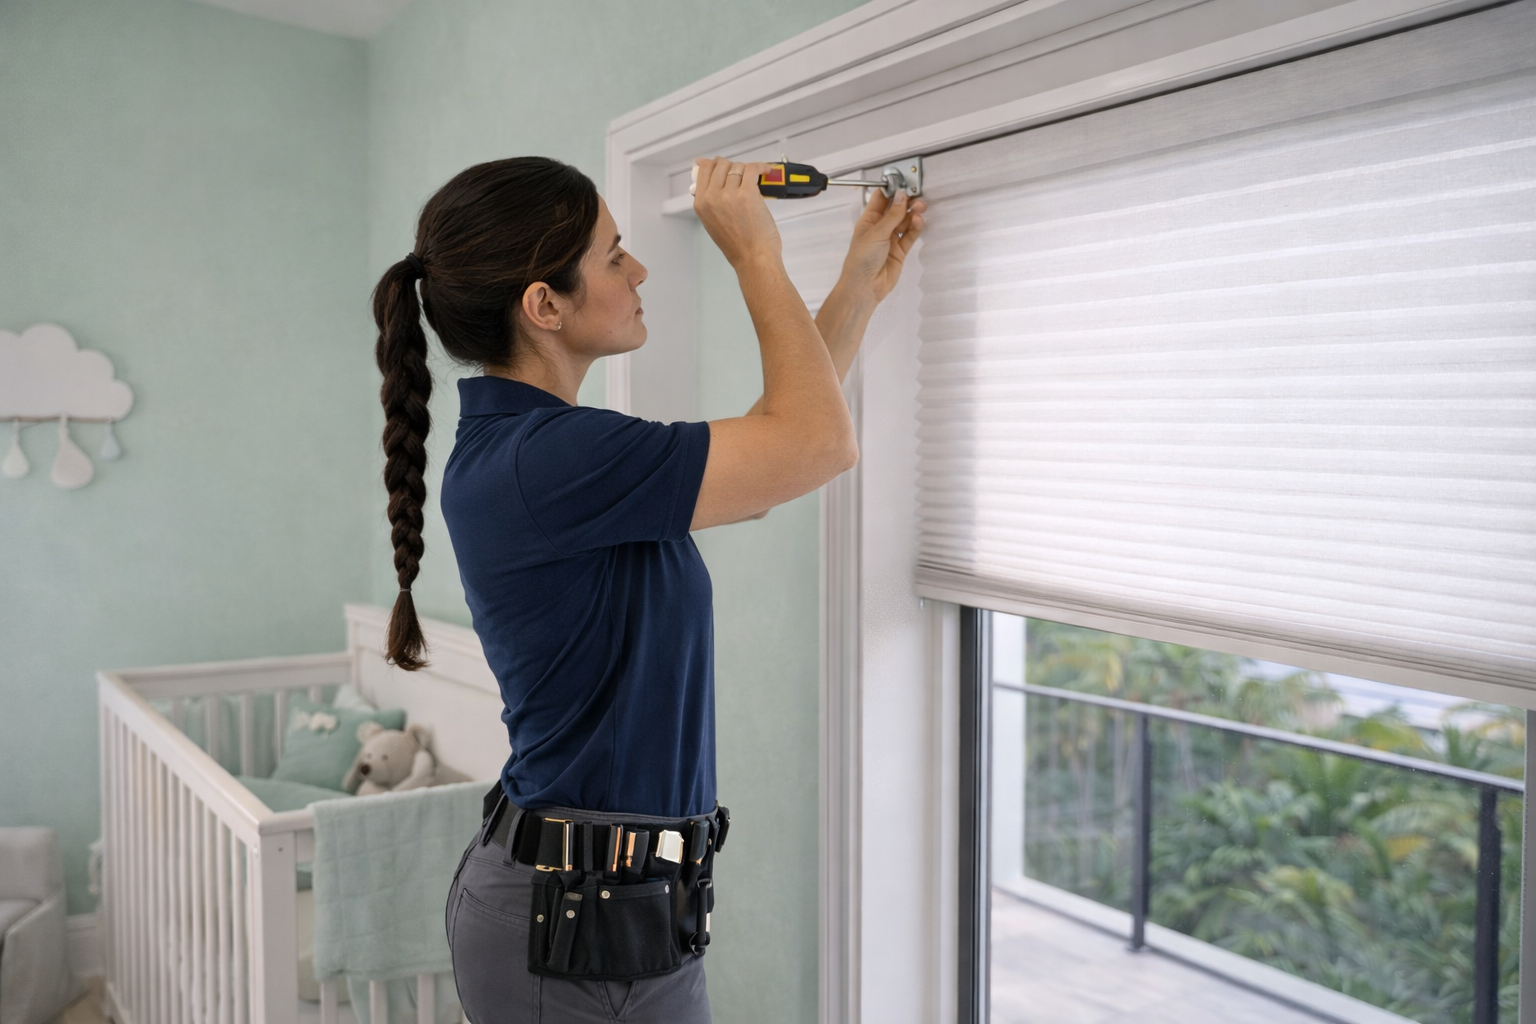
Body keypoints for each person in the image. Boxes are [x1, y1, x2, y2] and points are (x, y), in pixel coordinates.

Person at [370, 155, 924, 1024]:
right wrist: (754, 258)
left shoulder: (551, 452)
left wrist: (858, 285)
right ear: (543, 306)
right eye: (614, 253)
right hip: (571, 933)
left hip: (617, 913)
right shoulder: (547, 462)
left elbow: (778, 461)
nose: (639, 270)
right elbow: (812, 444)